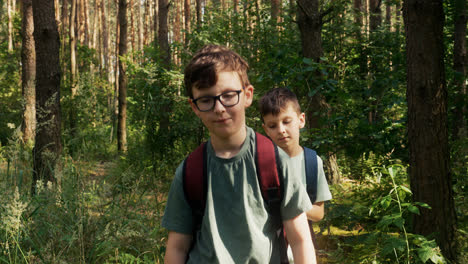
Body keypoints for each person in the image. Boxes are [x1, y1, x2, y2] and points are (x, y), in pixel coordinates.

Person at [162, 45, 316, 264]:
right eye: (206, 100)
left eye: (228, 95)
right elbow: (177, 247)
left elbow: (300, 240)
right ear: (194, 106)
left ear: (247, 95)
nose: (219, 108)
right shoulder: (190, 171)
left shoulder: (274, 162)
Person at [259, 87, 333, 262]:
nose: (281, 130)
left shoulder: (312, 162)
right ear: (265, 130)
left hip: (301, 248)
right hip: (266, 248)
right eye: (272, 125)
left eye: (286, 121)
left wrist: (290, 204)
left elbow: (318, 213)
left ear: (301, 120)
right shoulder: (260, 164)